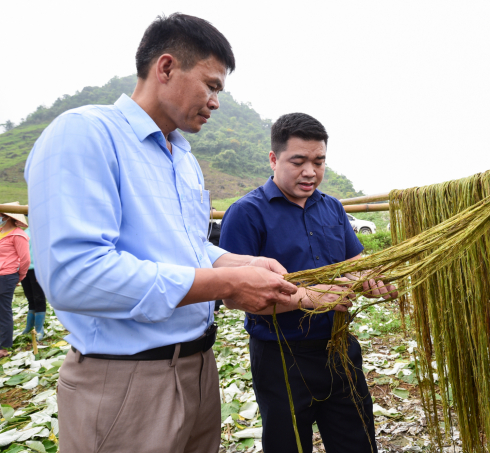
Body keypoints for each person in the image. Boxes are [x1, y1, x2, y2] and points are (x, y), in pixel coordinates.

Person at [25, 14, 298, 453]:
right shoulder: (85, 134)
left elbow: (189, 249)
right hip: (124, 383)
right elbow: (76, 276)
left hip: (198, 370)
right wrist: (228, 282)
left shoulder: (183, 159)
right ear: (166, 67)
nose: (215, 102)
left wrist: (240, 264)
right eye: (211, 85)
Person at [220, 113, 397, 453]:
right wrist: (307, 297)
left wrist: (372, 278)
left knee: (357, 442)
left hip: (339, 348)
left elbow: (355, 264)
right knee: (289, 445)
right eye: (298, 161)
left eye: (319, 161)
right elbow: (232, 296)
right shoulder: (246, 213)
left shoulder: (331, 207)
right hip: (281, 355)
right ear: (273, 159)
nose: (310, 172)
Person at [0, 203, 30, 358]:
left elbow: (25, 260)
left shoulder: (18, 235)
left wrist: (20, 276)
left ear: (7, 217)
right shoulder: (0, 232)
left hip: (7, 276)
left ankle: (3, 347)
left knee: (3, 310)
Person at [19, 224, 48, 340]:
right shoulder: (24, 232)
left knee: (39, 298)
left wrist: (43, 270)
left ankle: (39, 329)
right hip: (24, 269)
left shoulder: (42, 232)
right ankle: (29, 327)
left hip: (37, 269)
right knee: (30, 298)